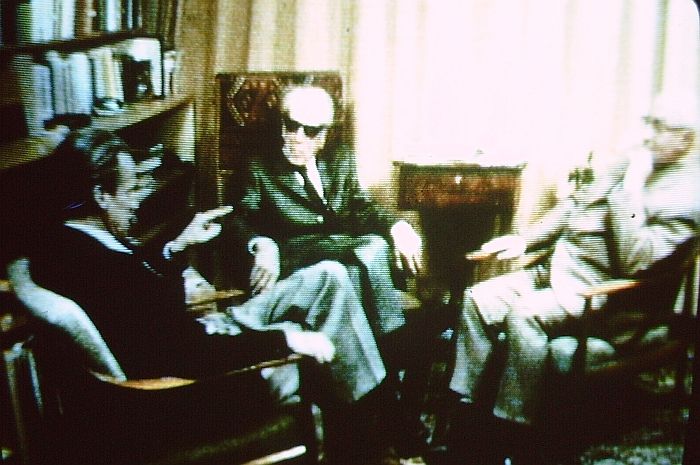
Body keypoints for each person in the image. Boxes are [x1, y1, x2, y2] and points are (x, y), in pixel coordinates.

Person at [26, 128, 419, 465]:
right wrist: (285, 339)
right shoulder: (99, 267)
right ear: (100, 194)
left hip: (203, 336)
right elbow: (188, 354)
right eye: (131, 189)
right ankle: (376, 435)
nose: (139, 199)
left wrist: (176, 247)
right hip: (196, 388)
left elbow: (143, 304)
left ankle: (379, 424)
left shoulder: (69, 243)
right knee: (330, 345)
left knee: (330, 276)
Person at [446, 90, 700, 463]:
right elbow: (576, 204)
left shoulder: (688, 196)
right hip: (555, 268)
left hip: (602, 294)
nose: (647, 134)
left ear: (685, 139)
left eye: (659, 127)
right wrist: (524, 240)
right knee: (477, 301)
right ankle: (467, 423)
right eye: (648, 122)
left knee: (524, 315)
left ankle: (512, 436)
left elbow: (636, 260)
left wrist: (630, 191)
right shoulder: (635, 158)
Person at [229, 85, 424, 340]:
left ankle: (377, 346)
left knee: (359, 266)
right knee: (370, 250)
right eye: (291, 126)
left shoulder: (339, 158)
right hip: (294, 258)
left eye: (310, 131)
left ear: (324, 134)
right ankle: (396, 340)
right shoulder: (258, 166)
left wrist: (398, 226)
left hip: (340, 257)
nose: (298, 137)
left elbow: (361, 208)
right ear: (282, 124)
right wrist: (262, 243)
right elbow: (237, 218)